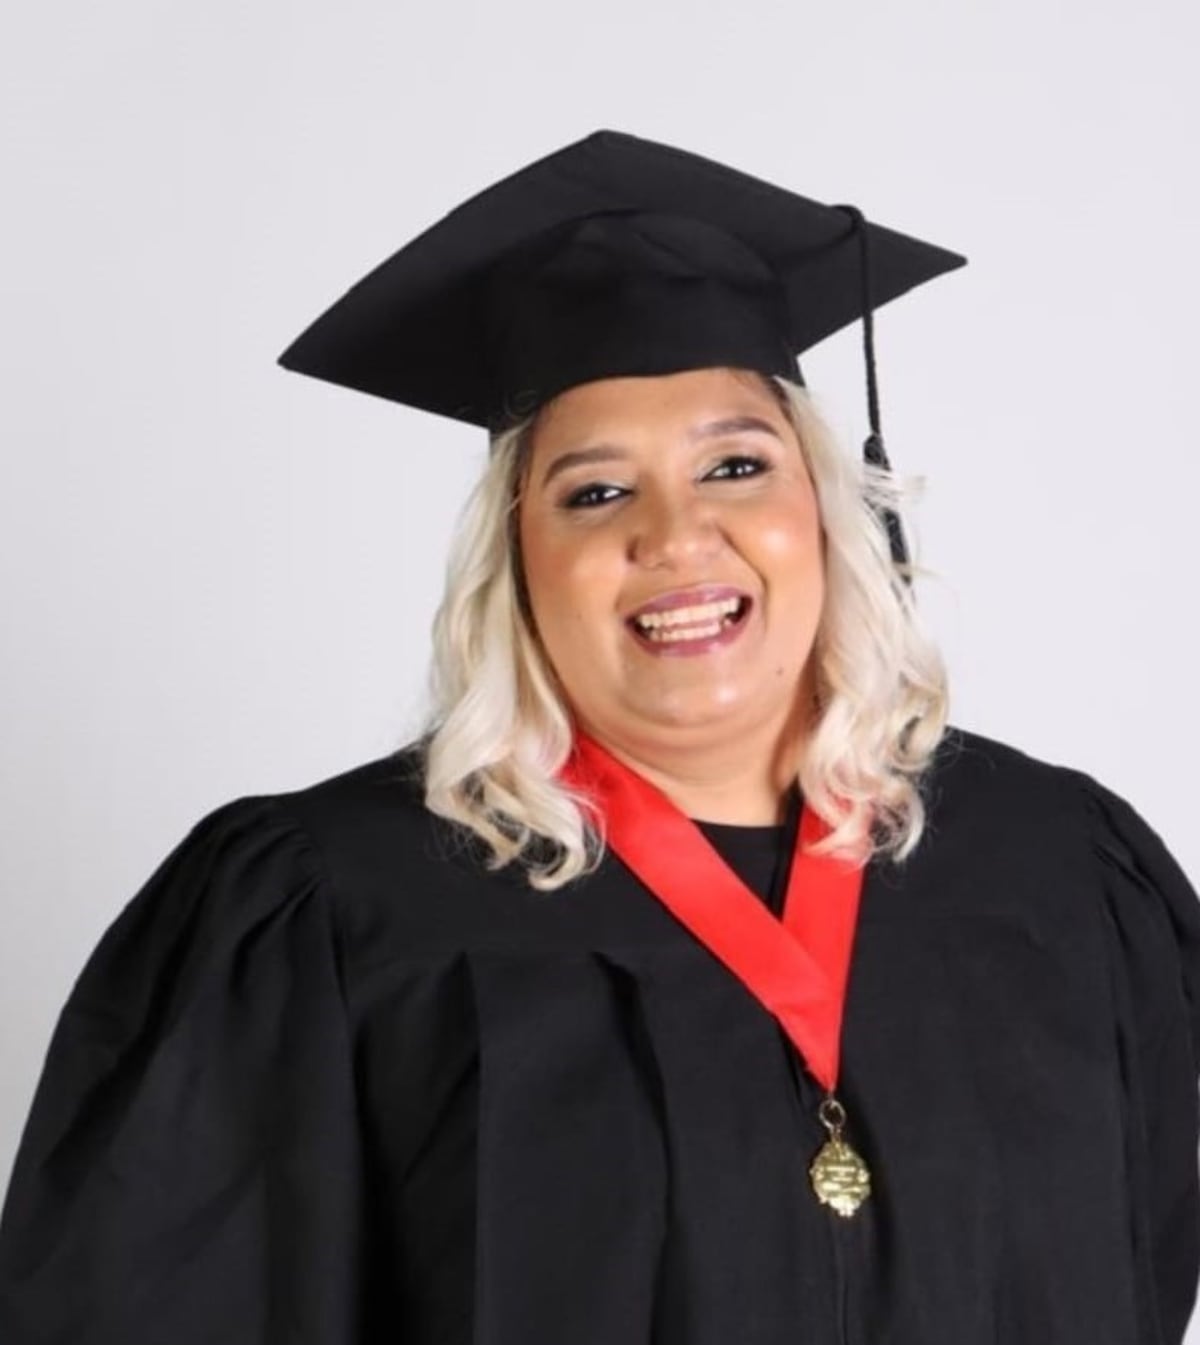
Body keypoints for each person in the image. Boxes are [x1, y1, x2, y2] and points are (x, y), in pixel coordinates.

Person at [1, 128, 1197, 1345]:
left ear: (828, 508)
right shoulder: (329, 915)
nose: (675, 535)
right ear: (517, 556)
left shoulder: (1063, 871)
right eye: (596, 490)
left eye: (736, 465)